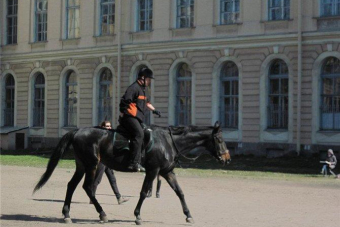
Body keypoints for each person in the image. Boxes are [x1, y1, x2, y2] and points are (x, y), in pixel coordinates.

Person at [119, 67, 161, 172]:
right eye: (148, 79)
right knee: (139, 134)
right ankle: (133, 163)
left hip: (137, 118)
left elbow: (147, 103)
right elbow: (124, 102)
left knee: (146, 133)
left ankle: (141, 160)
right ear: (142, 78)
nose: (149, 81)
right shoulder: (133, 88)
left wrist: (155, 110)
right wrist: (126, 113)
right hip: (129, 117)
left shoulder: (144, 90)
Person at [91, 121, 129, 204]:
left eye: (110, 126)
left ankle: (119, 197)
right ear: (103, 127)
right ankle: (92, 197)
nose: (109, 128)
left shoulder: (110, 136)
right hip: (101, 161)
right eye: (107, 126)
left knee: (112, 179)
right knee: (97, 180)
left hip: (108, 161)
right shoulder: (100, 137)